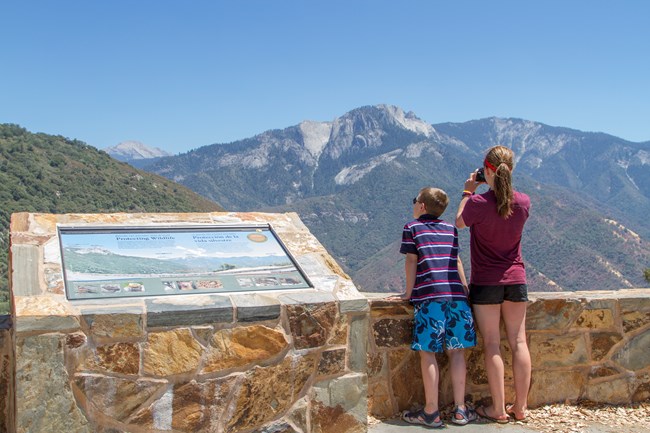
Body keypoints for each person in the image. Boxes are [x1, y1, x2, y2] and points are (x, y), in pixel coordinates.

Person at [455, 145, 532, 424]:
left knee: (492, 345)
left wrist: (467, 190)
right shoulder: (523, 201)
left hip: (486, 281)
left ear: (487, 170)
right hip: (516, 279)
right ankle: (520, 408)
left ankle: (498, 409)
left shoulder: (477, 203)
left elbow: (459, 223)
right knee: (519, 342)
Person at [392, 187, 477, 428]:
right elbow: (457, 260)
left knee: (428, 352)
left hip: (429, 297)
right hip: (457, 297)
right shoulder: (451, 229)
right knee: (458, 351)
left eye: (415, 200)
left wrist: (408, 293)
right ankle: (460, 410)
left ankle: (431, 411)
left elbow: (411, 260)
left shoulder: (412, 228)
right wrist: (464, 288)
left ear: (421, 206)